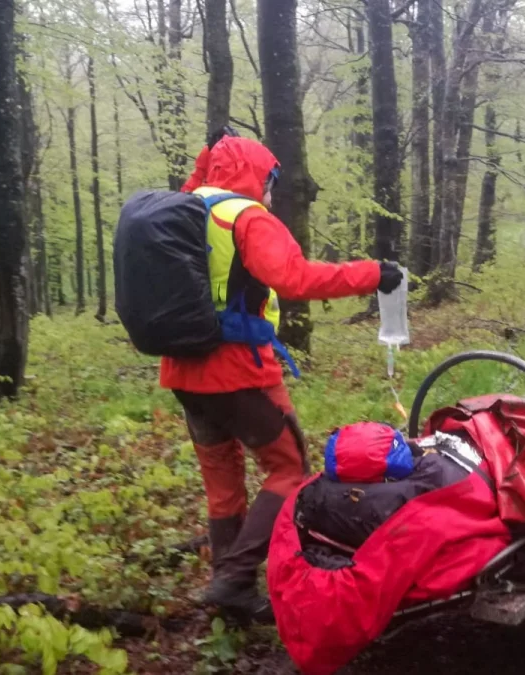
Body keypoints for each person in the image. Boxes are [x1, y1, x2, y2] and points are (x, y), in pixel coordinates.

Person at [163, 135, 404, 623]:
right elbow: (297, 279)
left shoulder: (186, 208)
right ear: (257, 177)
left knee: (223, 479)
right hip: (236, 370)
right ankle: (234, 577)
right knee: (289, 468)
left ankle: (228, 594)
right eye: (270, 181)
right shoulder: (247, 217)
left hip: (182, 371)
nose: (272, 193)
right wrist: (373, 275)